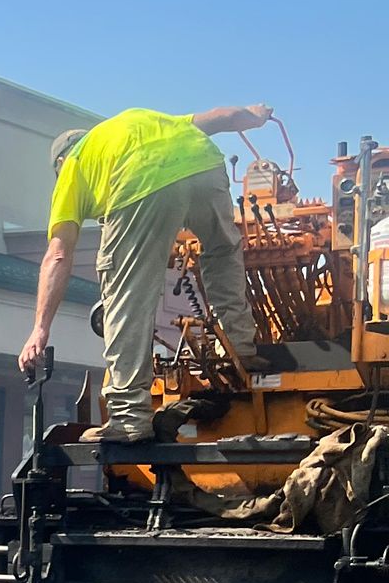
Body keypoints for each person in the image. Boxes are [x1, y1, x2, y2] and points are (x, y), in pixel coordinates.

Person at [19, 104, 276, 444]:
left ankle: (127, 418)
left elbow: (58, 254)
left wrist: (40, 329)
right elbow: (223, 118)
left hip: (142, 180)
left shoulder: (74, 167)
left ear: (60, 163)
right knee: (221, 252)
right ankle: (238, 347)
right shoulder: (142, 123)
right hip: (205, 164)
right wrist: (253, 114)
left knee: (126, 291)